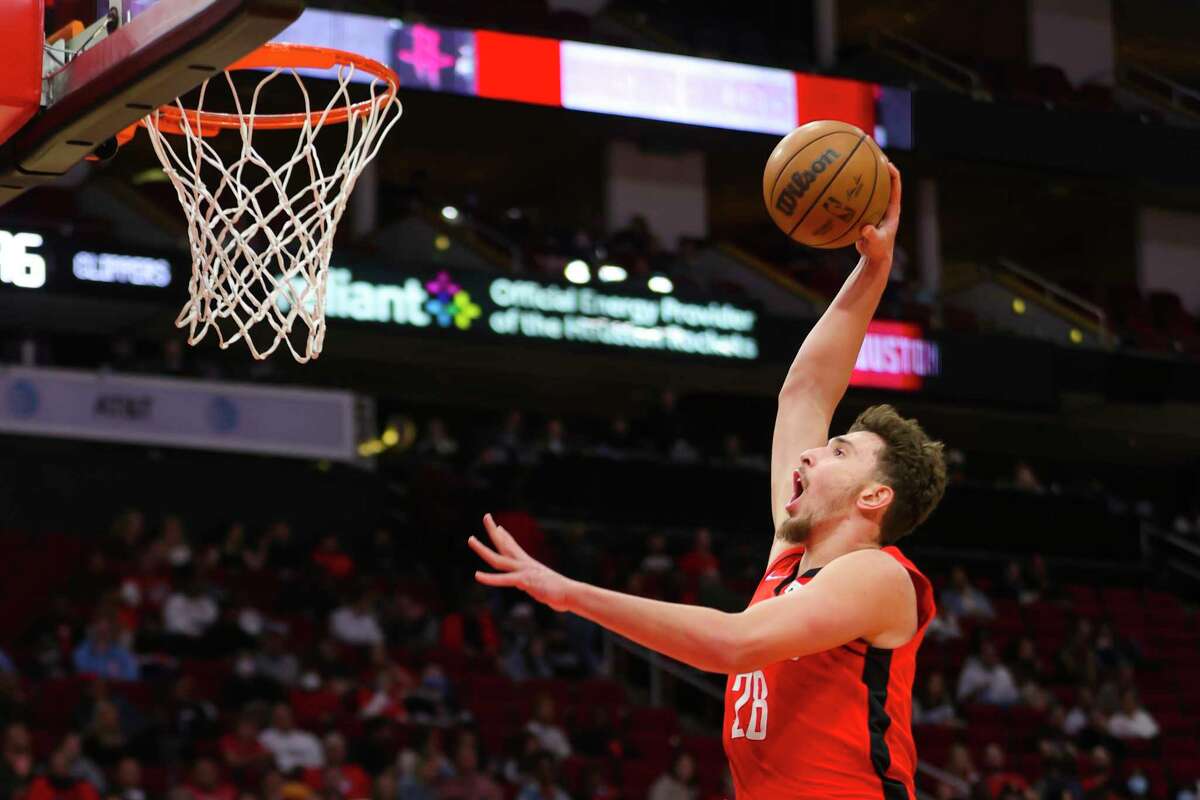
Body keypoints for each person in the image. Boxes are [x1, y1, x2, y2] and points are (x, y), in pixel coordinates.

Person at [469, 165, 948, 799]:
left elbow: (734, 643)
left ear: (874, 496)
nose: (808, 456)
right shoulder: (793, 556)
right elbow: (805, 389)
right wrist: (874, 268)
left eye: (837, 450)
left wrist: (570, 593)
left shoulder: (878, 575)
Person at [258, 705, 323, 775]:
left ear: (292, 717)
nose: (282, 720)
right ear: (273, 719)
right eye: (278, 717)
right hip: (277, 776)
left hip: (304, 776)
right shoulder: (265, 738)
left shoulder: (308, 739)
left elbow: (318, 764)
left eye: (285, 717)